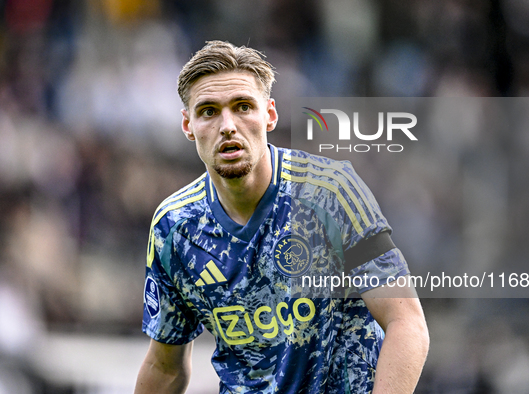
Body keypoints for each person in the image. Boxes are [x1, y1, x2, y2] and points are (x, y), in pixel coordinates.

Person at [135, 40, 429, 394]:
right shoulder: (175, 228)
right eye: (209, 111)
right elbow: (164, 365)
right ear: (188, 125)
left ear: (270, 114)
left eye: (243, 107)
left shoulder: (330, 192)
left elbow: (406, 323)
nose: (228, 125)